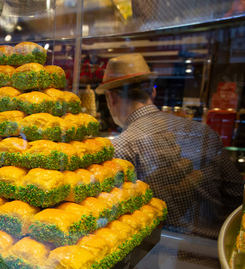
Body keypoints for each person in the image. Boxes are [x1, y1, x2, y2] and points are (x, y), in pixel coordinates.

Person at [96, 53, 243, 239]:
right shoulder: (204, 133)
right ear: (153, 92)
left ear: (111, 98)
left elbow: (111, 218)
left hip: (162, 256)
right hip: (217, 255)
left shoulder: (121, 148)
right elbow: (237, 196)